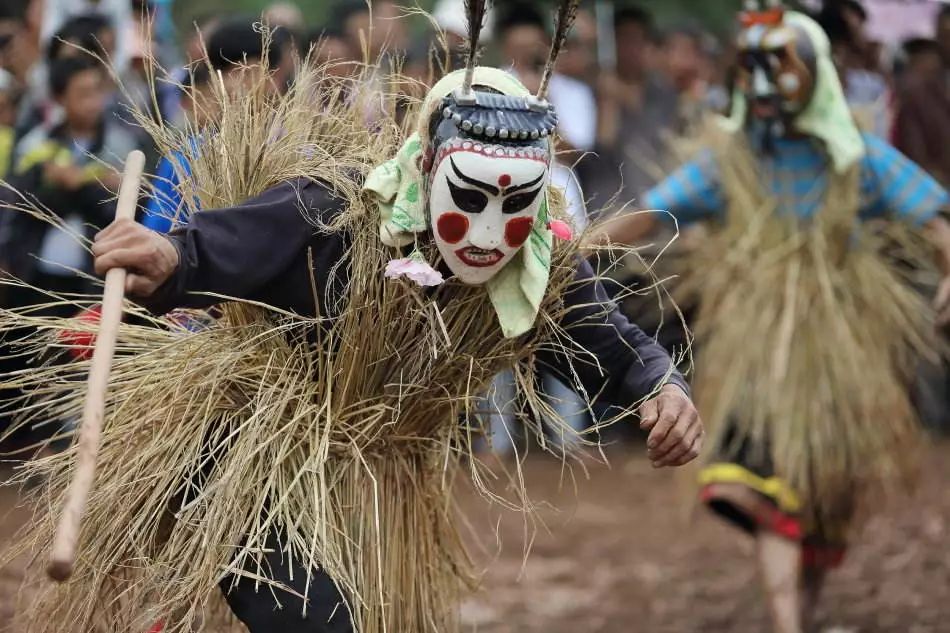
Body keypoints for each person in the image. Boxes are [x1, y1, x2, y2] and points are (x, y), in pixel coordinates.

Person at [1, 5, 703, 632]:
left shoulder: (538, 261)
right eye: (470, 196)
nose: (490, 230)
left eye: (512, 203)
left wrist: (661, 387)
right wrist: (163, 255)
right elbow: (222, 246)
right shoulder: (335, 211)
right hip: (251, 452)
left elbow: (611, 339)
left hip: (378, 488)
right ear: (427, 167)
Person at [593, 5, 950, 633]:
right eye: (749, 66)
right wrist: (569, 251)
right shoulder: (729, 163)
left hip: (842, 352)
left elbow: (933, 220)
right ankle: (788, 622)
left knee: (821, 493)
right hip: (757, 359)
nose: (760, 84)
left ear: (814, 77)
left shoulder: (858, 159)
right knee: (757, 482)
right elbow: (649, 214)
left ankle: (799, 608)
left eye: (776, 66)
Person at [1, 55, 138, 308]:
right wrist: (50, 179)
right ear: (60, 98)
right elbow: (18, 205)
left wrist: (85, 184)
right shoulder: (36, 144)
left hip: (91, 280)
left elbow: (124, 214)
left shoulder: (121, 148)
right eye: (83, 94)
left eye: (96, 92)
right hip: (36, 276)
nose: (93, 103)